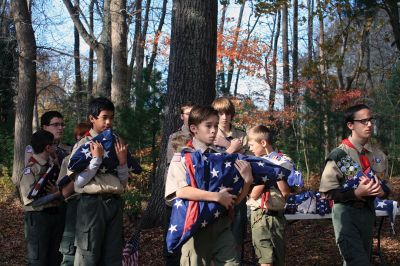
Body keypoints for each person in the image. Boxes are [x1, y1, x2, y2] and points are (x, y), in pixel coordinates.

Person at [165, 105, 253, 266]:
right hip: (196, 228)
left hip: (222, 226)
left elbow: (233, 200)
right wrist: (216, 197)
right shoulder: (183, 158)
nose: (214, 130)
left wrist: (247, 182)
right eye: (208, 126)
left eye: (215, 125)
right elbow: (181, 191)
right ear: (193, 128)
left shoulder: (222, 160)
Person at [319, 104, 389, 266]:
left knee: (360, 259)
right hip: (346, 215)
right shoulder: (340, 155)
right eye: (363, 121)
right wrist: (356, 193)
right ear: (351, 125)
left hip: (368, 214)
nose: (369, 124)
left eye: (370, 120)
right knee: (358, 262)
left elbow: (387, 188)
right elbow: (327, 193)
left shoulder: (378, 155)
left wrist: (381, 192)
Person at [68, 97, 132, 265]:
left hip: (114, 203)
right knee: (88, 255)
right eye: (104, 117)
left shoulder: (117, 142)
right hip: (91, 205)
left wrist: (123, 162)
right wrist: (96, 161)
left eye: (111, 117)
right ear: (92, 118)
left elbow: (123, 182)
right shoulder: (84, 144)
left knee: (112, 256)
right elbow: (78, 183)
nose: (109, 122)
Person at [246, 125, 290, 266]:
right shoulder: (253, 165)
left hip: (277, 216)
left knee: (279, 260)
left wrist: (275, 173)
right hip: (260, 215)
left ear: (263, 143)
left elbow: (286, 192)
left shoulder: (284, 161)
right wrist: (268, 175)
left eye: (252, 145)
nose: (250, 149)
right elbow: (253, 194)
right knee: (266, 261)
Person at [19, 130, 65, 265]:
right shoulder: (30, 170)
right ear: (48, 147)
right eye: (54, 145)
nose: (56, 147)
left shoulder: (53, 166)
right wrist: (55, 195)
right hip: (39, 218)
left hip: (55, 215)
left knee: (55, 258)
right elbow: (31, 201)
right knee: (38, 259)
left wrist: (58, 193)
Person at [212, 97, 248, 253]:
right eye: (220, 113)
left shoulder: (241, 135)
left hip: (239, 191)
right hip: (215, 192)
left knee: (236, 237)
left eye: (227, 113)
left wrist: (228, 145)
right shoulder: (209, 134)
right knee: (215, 237)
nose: (224, 117)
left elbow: (251, 161)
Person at [164, 103, 194, 266]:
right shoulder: (175, 138)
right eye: (187, 113)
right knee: (173, 240)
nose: (190, 116)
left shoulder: (202, 135)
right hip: (177, 195)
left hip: (196, 195)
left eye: (193, 113)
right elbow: (172, 165)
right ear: (182, 116)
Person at [58, 121, 91, 266]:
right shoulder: (68, 160)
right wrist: (80, 173)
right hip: (74, 205)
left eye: (87, 135)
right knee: (70, 250)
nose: (84, 138)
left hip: (93, 205)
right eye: (81, 135)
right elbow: (64, 192)